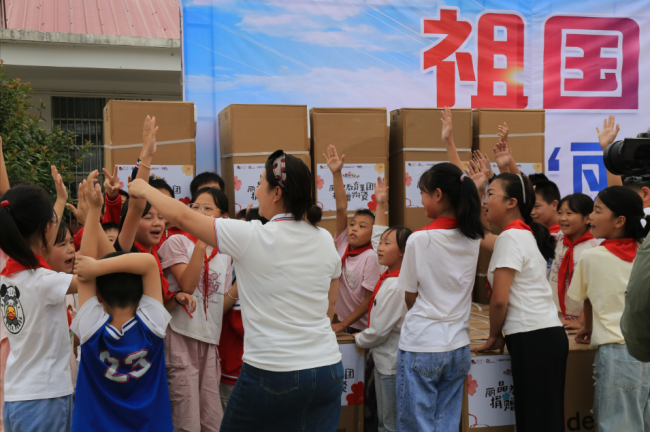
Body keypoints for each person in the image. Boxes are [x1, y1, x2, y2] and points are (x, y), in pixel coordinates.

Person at [128, 149, 344, 432]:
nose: (256, 191)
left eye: (260, 184)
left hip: (273, 371)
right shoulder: (324, 239)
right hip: (328, 369)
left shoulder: (254, 236)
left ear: (276, 193)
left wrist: (143, 187)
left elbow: (182, 215)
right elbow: (330, 303)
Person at [70, 172, 173, 432]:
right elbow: (148, 263)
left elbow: (83, 269)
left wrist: (93, 213)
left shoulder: (92, 330)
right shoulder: (153, 327)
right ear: (143, 297)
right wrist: (95, 267)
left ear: (99, 297)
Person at [395, 155, 486, 430]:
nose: (421, 200)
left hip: (422, 343)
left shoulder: (419, 239)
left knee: (416, 424)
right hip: (458, 345)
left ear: (438, 194)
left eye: (422, 193)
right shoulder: (473, 236)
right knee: (445, 423)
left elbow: (409, 295)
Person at [474, 173, 567, 432]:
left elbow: (499, 300)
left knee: (536, 420)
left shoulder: (511, 238)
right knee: (544, 417)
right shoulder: (522, 234)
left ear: (511, 202)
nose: (485, 201)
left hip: (533, 336)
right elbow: (479, 230)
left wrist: (494, 336)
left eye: (491, 194)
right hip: (543, 334)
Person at [568, 186, 650, 430]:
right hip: (646, 347)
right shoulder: (645, 251)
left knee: (617, 425)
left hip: (617, 352)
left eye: (597, 210)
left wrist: (587, 326)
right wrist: (589, 325)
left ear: (620, 221)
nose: (590, 217)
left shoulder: (592, 257)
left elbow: (585, 296)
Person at [0, 176, 78, 432]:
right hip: (46, 398)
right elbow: (91, 280)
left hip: (16, 398)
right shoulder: (45, 281)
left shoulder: (7, 277)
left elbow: (41, 241)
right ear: (46, 228)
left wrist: (60, 201)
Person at [158, 187, 236, 431]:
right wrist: (202, 243)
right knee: (185, 419)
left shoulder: (225, 254)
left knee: (212, 420)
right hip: (180, 337)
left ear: (223, 218)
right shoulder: (177, 242)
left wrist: (239, 286)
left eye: (207, 208)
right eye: (195, 207)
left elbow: (217, 306)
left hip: (209, 341)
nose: (199, 212)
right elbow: (188, 286)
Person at [354, 178, 410, 432]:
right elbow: (379, 233)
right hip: (383, 360)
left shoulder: (398, 286)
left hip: (391, 365)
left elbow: (377, 332)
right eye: (381, 243)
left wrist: (353, 340)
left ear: (403, 253)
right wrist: (381, 204)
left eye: (388, 244)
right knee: (383, 418)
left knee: (389, 423)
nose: (380, 247)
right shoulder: (387, 273)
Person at [323, 145, 380, 334]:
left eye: (362, 226)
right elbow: (341, 208)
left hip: (360, 327)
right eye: (353, 224)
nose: (354, 228)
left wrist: (343, 324)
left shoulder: (370, 257)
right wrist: (336, 174)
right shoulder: (344, 243)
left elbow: (368, 301)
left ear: (374, 234)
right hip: (341, 320)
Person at [218, 208, 268, 411]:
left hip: (244, 364)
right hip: (238, 363)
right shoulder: (233, 262)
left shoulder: (247, 262)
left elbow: (241, 322)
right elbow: (239, 321)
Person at [548, 194, 599, 329]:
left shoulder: (595, 248)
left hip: (583, 318)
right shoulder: (556, 240)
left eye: (569, 213)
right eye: (560, 213)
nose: (563, 218)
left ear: (588, 218)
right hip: (553, 313)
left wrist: (581, 322)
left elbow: (595, 291)